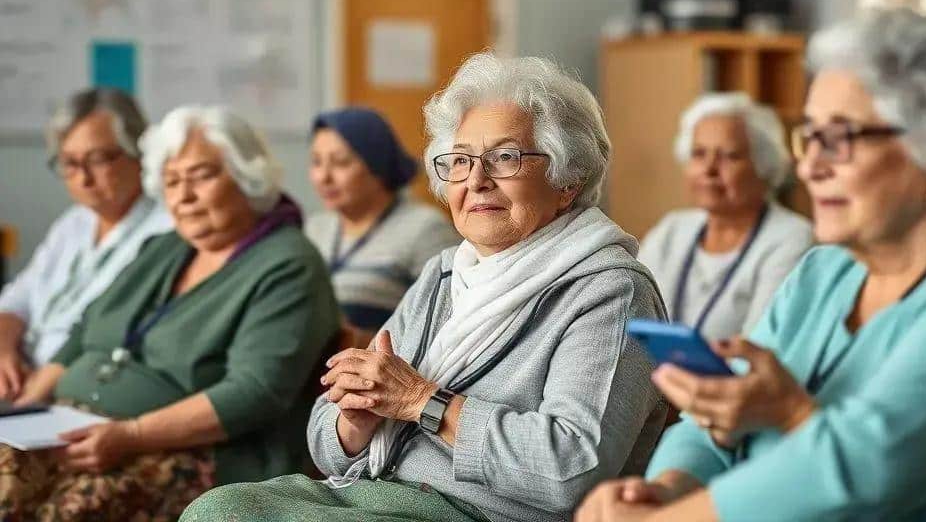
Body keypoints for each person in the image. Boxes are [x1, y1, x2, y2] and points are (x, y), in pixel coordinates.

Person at [576, 8, 926, 522]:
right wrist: (668, 489)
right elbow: (713, 419)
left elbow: (859, 469)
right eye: (808, 136)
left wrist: (667, 519)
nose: (810, 165)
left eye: (840, 138)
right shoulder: (821, 273)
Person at [182, 53, 668, 522]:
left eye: (505, 157)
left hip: (479, 514)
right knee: (214, 509)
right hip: (374, 492)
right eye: (460, 161)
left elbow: (571, 467)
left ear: (568, 180)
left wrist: (423, 402)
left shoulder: (609, 292)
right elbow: (325, 442)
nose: (475, 180)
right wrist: (356, 418)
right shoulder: (445, 273)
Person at [0, 106, 337, 521]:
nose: (183, 196)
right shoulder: (164, 246)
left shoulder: (289, 263)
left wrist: (130, 435)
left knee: (63, 510)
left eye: (201, 176)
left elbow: (254, 392)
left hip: (194, 454)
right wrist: (28, 404)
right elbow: (87, 329)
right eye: (172, 181)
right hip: (75, 424)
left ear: (247, 176)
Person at [0, 88, 172, 399]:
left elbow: (103, 337)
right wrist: (3, 352)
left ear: (139, 153)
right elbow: (16, 300)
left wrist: (33, 392)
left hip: (73, 390)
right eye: (69, 163)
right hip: (20, 380)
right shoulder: (75, 222)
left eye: (97, 159)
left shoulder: (168, 230)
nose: (83, 178)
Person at [638, 93, 813, 340]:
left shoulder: (791, 238)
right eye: (698, 154)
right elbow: (629, 319)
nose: (708, 169)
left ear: (764, 165)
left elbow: (760, 345)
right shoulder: (671, 230)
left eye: (729, 156)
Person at [306, 108, 460, 348]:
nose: (323, 176)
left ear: (377, 165)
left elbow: (448, 325)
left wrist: (357, 341)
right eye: (316, 162)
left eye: (341, 163)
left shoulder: (425, 228)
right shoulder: (315, 227)